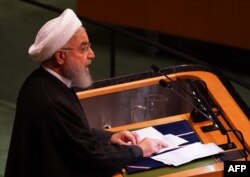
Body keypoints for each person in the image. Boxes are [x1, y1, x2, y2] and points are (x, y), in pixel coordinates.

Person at [5, 9, 167, 177]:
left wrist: (109, 138)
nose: (92, 55)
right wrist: (139, 150)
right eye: (83, 49)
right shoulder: (53, 100)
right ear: (60, 57)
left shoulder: (41, 81)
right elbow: (90, 160)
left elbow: (72, 135)